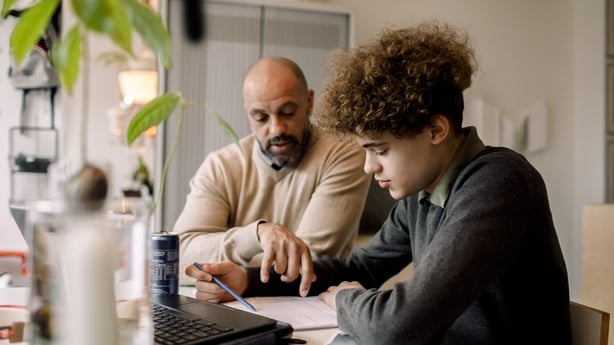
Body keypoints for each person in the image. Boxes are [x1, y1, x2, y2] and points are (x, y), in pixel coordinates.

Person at [185, 22, 572, 344]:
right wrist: (248, 280)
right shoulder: (422, 194)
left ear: (436, 129)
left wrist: (347, 301)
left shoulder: (497, 183)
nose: (369, 167)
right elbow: (362, 266)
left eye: (380, 150)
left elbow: (397, 324)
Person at [174, 56, 371, 284]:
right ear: (248, 113)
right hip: (233, 308)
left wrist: (230, 272)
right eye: (261, 117)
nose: (276, 128)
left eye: (287, 112)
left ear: (309, 101)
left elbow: (308, 261)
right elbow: (178, 259)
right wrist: (256, 235)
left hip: (312, 309)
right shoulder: (220, 167)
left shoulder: (343, 153)